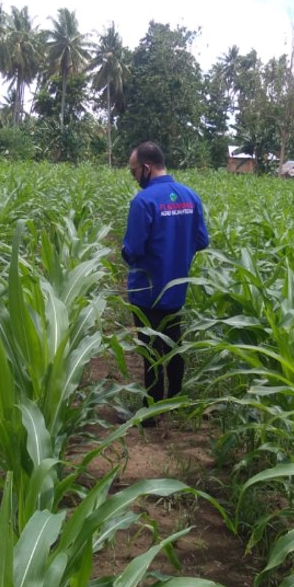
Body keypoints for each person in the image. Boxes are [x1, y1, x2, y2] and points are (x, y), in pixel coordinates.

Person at [121, 141, 209, 426]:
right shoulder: (190, 196)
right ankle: (177, 398)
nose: (135, 179)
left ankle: (151, 411)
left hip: (146, 291)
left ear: (146, 168)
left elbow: (132, 250)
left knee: (150, 349)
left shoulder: (144, 201)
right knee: (174, 343)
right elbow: (202, 241)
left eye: (134, 173)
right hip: (177, 288)